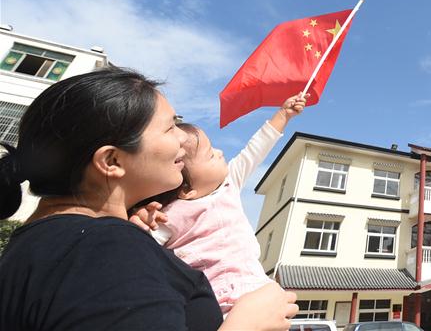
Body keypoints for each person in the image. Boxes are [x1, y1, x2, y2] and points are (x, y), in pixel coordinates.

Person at [0, 67, 299, 331]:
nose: (182, 138)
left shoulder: (43, 244)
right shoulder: (104, 250)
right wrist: (249, 321)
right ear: (112, 161)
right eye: (170, 127)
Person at [139, 94, 307, 313]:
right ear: (187, 190)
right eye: (210, 155)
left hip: (255, 285)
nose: (220, 153)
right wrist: (143, 224)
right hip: (214, 300)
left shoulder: (229, 185)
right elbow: (142, 251)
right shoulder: (170, 214)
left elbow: (255, 149)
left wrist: (283, 115)